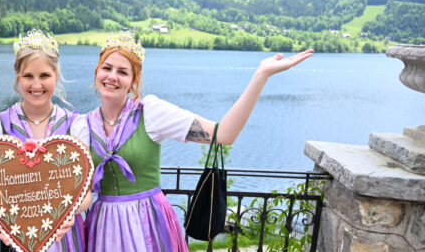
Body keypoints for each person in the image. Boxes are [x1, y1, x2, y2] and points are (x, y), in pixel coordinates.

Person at [83, 32, 313, 252]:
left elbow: (223, 134)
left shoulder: (150, 113)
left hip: (147, 225)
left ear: (134, 79)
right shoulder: (83, 125)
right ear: (96, 72)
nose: (112, 76)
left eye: (122, 71)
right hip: (103, 228)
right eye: (107, 68)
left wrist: (261, 75)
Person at [0, 29, 92, 251]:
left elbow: (86, 193)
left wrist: (69, 213)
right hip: (13, 237)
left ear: (56, 75)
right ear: (17, 77)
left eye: (44, 76)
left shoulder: (76, 125)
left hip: (64, 237)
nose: (36, 85)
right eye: (28, 76)